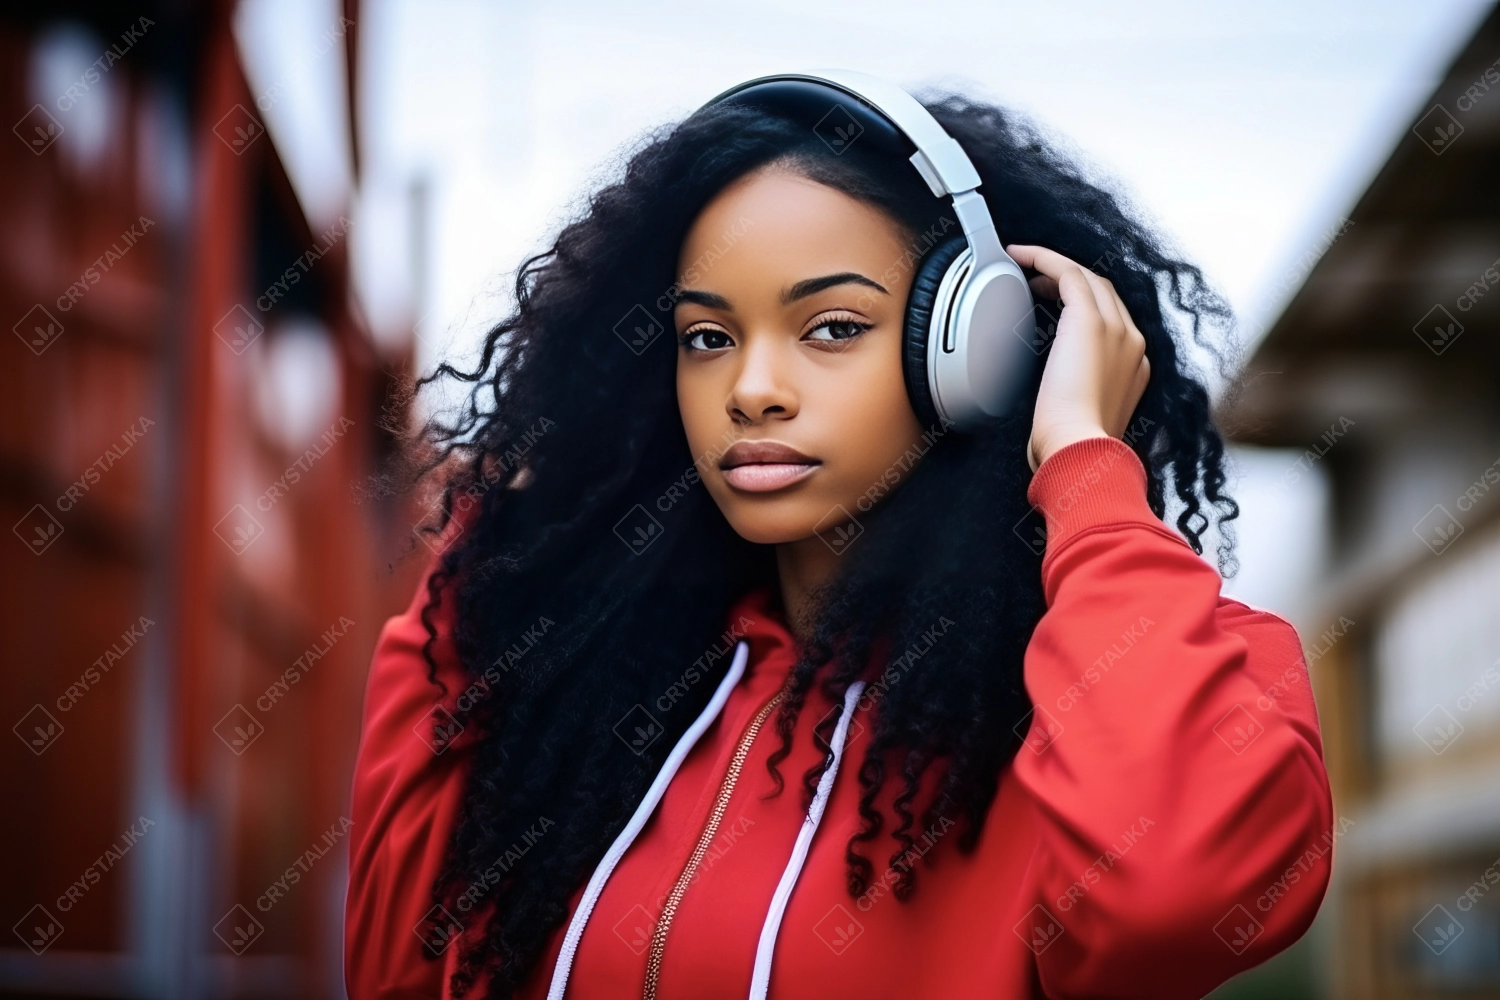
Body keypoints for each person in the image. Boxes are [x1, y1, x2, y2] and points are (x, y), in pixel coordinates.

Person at [344, 72, 1333, 1000]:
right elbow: (394, 962)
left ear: (973, 351)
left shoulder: (1149, 679)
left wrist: (1080, 457)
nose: (751, 388)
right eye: (707, 337)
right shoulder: (583, 696)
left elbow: (1169, 894)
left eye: (831, 328)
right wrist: (506, 543)